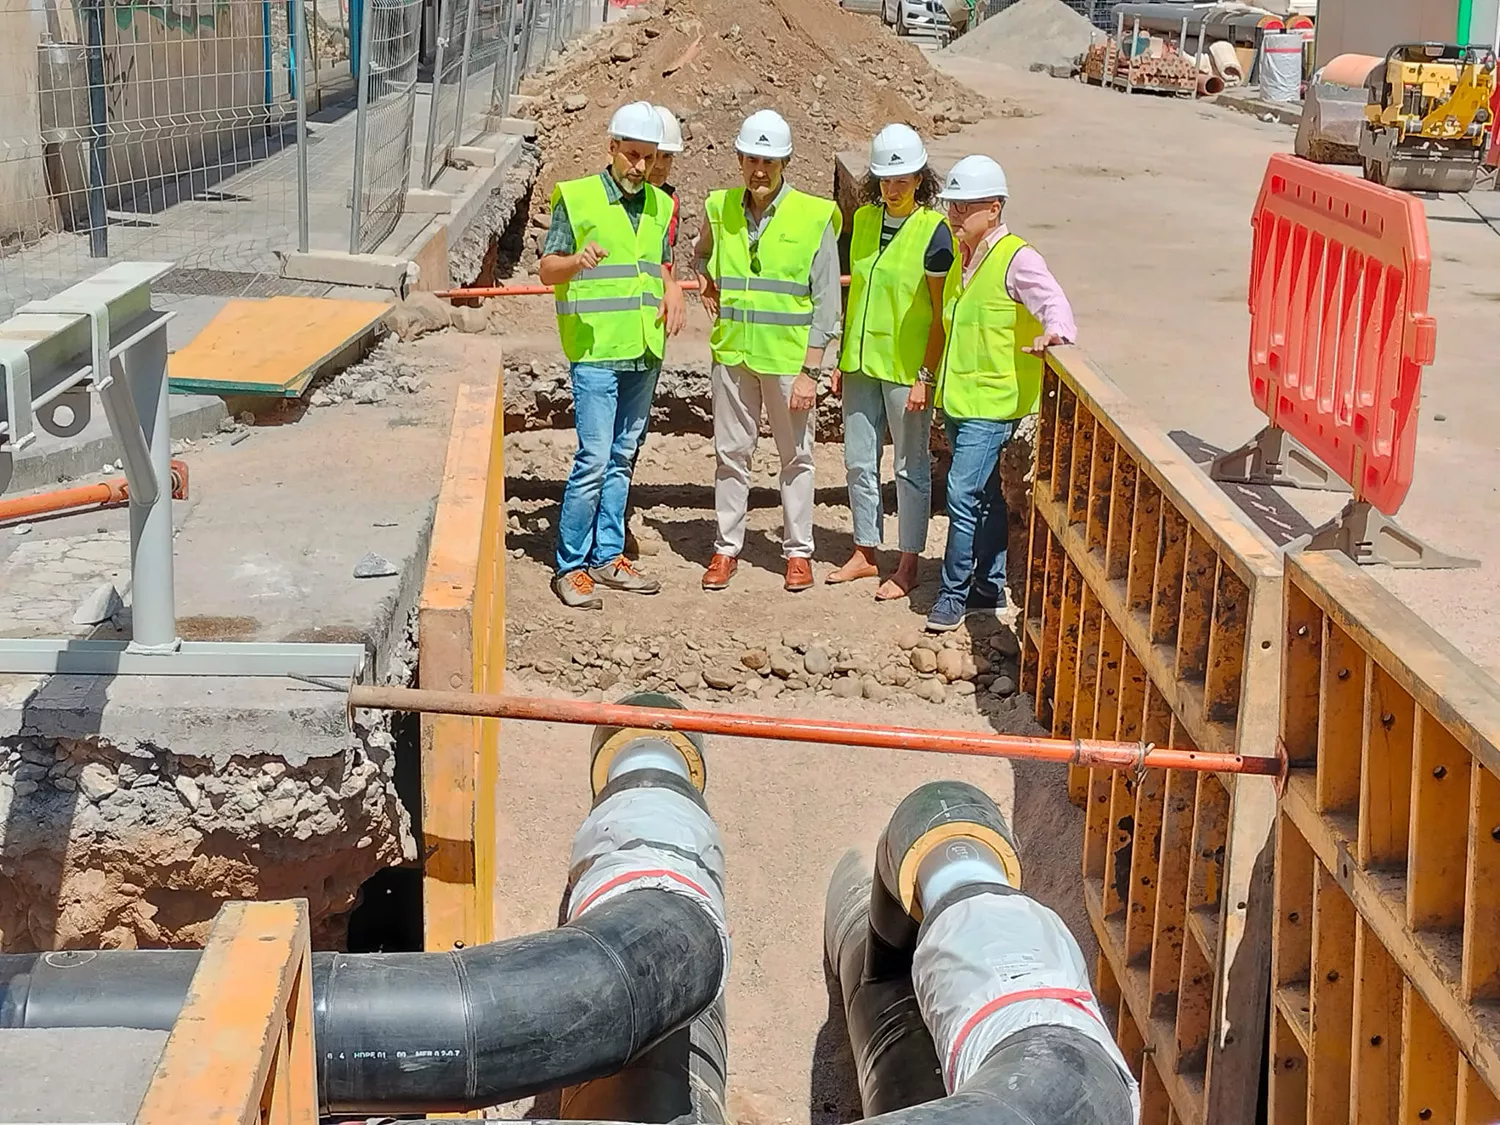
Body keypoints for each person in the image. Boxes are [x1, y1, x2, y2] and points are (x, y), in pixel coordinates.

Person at [539, 101, 687, 610]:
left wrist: (674, 291)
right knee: (594, 460)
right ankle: (571, 565)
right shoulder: (577, 199)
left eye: (649, 158)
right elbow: (546, 269)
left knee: (623, 458)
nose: (640, 167)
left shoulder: (661, 205)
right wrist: (576, 262)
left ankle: (608, 556)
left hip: (645, 349)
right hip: (597, 349)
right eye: (632, 155)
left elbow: (661, 266)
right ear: (612, 148)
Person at [695, 109, 843, 593]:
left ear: (786, 163)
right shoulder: (718, 209)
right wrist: (702, 275)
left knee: (796, 457)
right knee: (730, 454)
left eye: (771, 161)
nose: (760, 170)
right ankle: (726, 548)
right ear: (739, 158)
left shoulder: (814, 215)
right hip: (733, 356)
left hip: (787, 361)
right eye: (753, 159)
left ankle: (798, 552)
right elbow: (700, 253)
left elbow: (827, 301)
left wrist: (811, 371)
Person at [927, 154, 1075, 633]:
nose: (955, 215)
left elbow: (1052, 300)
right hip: (959, 400)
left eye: (965, 207)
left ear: (993, 208)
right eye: (952, 206)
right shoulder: (961, 258)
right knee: (985, 495)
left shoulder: (1017, 258)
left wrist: (1056, 333)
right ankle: (987, 587)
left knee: (962, 491)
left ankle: (953, 594)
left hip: (992, 403)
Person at [827, 124, 954, 603]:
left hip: (906, 372)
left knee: (909, 465)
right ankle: (865, 551)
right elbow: (854, 294)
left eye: (902, 179)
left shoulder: (934, 232)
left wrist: (926, 374)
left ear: (921, 178)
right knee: (859, 459)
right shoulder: (862, 223)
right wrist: (841, 356)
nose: (893, 188)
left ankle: (908, 562)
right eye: (885, 179)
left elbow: (940, 313)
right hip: (860, 364)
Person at [622, 104, 686, 561]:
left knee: (632, 435)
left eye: (666, 160)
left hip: (648, 334)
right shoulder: (615, 201)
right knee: (605, 441)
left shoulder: (667, 205)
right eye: (653, 157)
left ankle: (616, 518)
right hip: (609, 334)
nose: (658, 168)